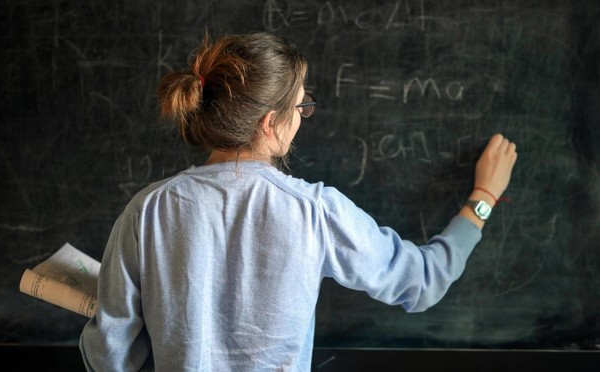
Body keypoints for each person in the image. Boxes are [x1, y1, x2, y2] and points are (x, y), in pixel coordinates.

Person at [79, 32, 517, 371]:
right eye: (301, 105)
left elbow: (109, 356)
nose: (303, 115)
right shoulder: (316, 212)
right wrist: (483, 198)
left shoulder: (148, 211)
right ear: (271, 123)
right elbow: (422, 283)